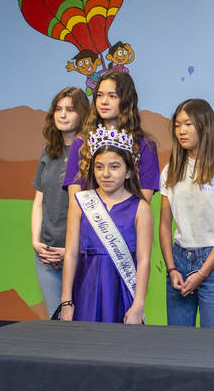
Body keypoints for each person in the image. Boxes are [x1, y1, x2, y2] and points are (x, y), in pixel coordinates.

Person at [159, 99, 214, 328]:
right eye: (177, 125)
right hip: (178, 260)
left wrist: (203, 272)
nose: (181, 131)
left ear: (204, 126)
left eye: (187, 124)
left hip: (213, 263)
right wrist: (171, 269)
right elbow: (165, 224)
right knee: (179, 343)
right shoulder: (171, 169)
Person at [58, 127, 152, 324]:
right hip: (85, 290)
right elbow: (71, 253)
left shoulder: (140, 208)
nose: (106, 174)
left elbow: (143, 260)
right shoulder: (81, 202)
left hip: (122, 292)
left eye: (114, 167)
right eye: (99, 167)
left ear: (128, 172)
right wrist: (66, 302)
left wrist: (138, 305)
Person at [31, 87, 87, 317]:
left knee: (82, 321)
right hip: (46, 255)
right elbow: (38, 201)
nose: (62, 115)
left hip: (79, 254)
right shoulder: (48, 151)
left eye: (70, 110)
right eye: (58, 109)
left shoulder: (91, 154)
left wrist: (72, 250)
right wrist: (36, 242)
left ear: (82, 115)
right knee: (56, 323)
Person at [63, 70, 159, 204]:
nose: (104, 102)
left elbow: (144, 201)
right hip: (88, 221)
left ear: (127, 100)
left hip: (128, 223)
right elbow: (75, 201)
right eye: (99, 95)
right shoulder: (80, 144)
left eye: (112, 96)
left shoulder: (145, 146)